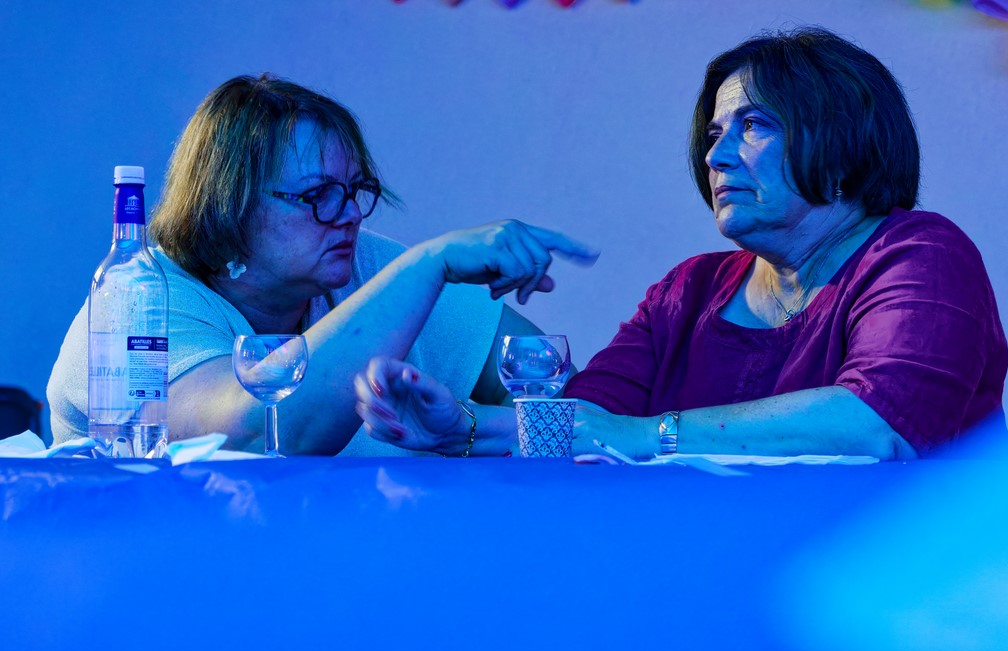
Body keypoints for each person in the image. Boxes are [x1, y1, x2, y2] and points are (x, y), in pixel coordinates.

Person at [354, 26, 1008, 460]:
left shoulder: (921, 254)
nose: (716, 156)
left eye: (753, 125)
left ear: (841, 143)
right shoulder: (689, 288)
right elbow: (588, 419)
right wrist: (463, 427)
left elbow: (876, 427)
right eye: (715, 134)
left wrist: (649, 436)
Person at [47, 74, 599, 456]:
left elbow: (569, 396)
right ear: (229, 206)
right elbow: (256, 438)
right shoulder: (136, 301)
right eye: (318, 195)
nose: (350, 215)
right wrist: (430, 262)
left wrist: (472, 431)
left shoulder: (365, 263)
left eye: (355, 190)